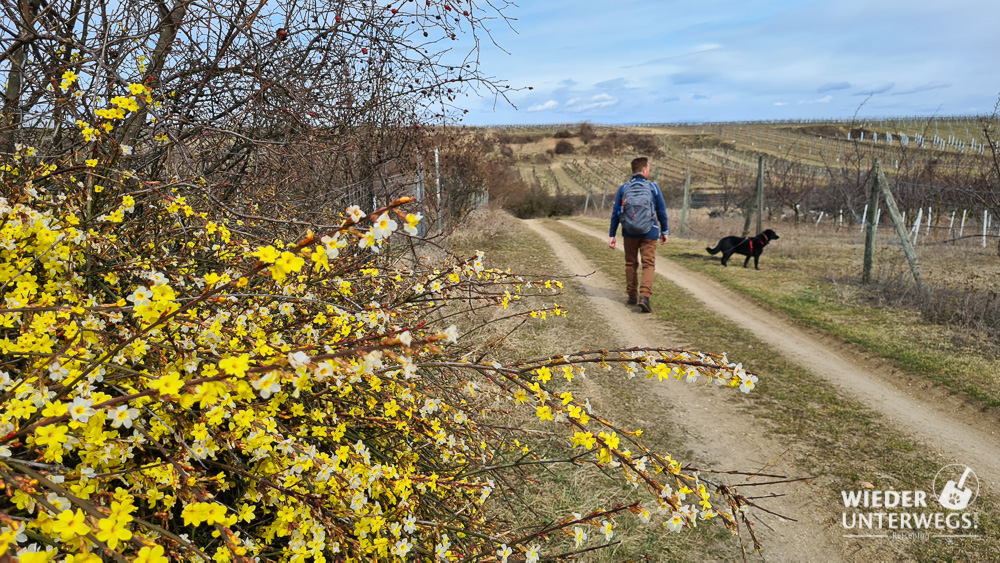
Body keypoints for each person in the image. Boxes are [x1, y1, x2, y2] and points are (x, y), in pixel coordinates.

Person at [608, 157, 669, 313]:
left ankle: (631, 296)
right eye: (648, 168)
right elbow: (661, 211)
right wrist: (664, 231)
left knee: (630, 264)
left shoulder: (623, 188)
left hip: (629, 231)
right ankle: (644, 296)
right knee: (648, 264)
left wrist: (612, 234)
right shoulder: (653, 187)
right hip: (650, 231)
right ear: (644, 170)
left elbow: (616, 212)